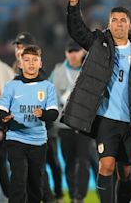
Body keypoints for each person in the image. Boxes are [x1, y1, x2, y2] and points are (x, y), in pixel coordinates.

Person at [58, 0, 131, 202]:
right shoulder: (99, 43)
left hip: (129, 120)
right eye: (114, 20)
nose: (119, 24)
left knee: (126, 172)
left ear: (129, 25)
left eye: (123, 20)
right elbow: (78, 32)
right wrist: (73, 5)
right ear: (109, 24)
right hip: (106, 119)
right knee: (106, 165)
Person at [0, 46, 58, 203]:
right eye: (27, 60)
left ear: (40, 63)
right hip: (16, 139)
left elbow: (53, 113)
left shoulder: (48, 87)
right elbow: (0, 110)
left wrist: (43, 114)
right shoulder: (11, 86)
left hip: (38, 142)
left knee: (35, 185)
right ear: (20, 64)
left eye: (34, 60)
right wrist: (4, 118)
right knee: (18, 180)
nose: (31, 64)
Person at [50, 40, 89, 203]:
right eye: (70, 51)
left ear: (82, 52)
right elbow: (51, 96)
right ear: (66, 53)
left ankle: (79, 196)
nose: (73, 55)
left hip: (84, 125)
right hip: (64, 125)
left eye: (76, 51)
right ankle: (74, 194)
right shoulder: (58, 71)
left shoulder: (89, 70)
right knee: (69, 162)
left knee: (83, 161)